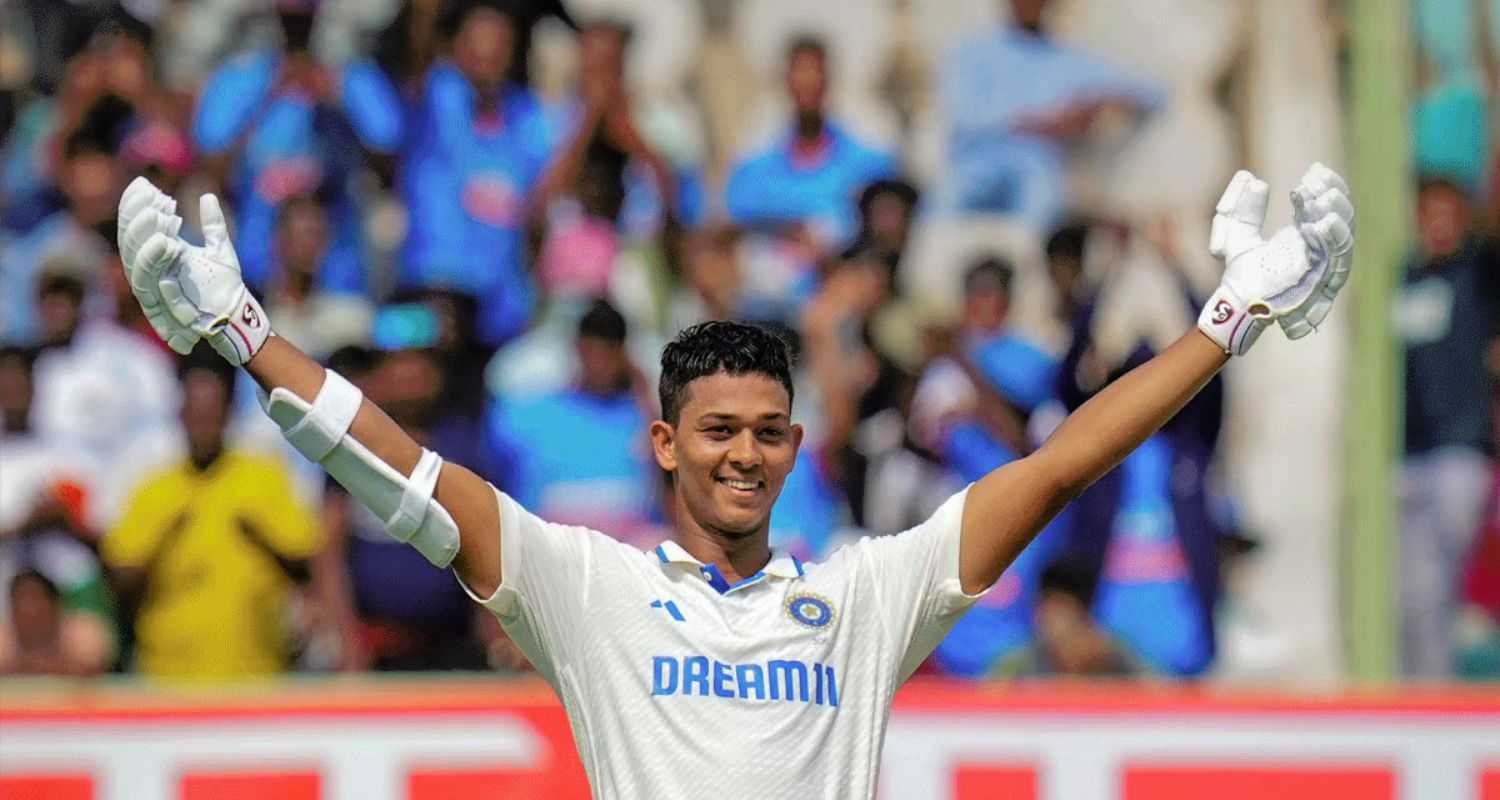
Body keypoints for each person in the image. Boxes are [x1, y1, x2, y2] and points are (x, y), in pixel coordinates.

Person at [114, 159, 1352, 795]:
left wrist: (1230, 317)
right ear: (663, 443)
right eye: (715, 430)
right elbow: (410, 476)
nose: (742, 453)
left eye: (767, 430)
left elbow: (1065, 458)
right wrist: (243, 336)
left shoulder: (868, 599)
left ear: (797, 448)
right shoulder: (585, 585)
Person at [102, 349, 319, 681]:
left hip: (256, 673)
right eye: (195, 415)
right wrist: (164, 536)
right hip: (168, 677)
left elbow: (305, 562)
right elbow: (120, 580)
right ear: (181, 416)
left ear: (228, 414)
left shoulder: (264, 476)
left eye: (212, 415)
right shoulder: (154, 488)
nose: (203, 426)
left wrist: (258, 535)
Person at [191, 0, 402, 294]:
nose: (298, 25)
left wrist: (335, 97)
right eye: (289, 14)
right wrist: (270, 91)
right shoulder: (241, 75)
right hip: (257, 276)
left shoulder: (352, 75)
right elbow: (212, 163)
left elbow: (388, 152)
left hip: (338, 277)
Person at [1393, 174, 1500, 678]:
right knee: (1414, 596)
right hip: (1405, 455)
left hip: (1459, 451)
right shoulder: (1402, 280)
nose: (1437, 226)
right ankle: (1424, 696)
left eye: (1447, 215)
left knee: (1442, 583)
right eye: (1428, 214)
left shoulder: (1476, 273)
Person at [937, 0, 1163, 230]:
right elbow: (966, 117)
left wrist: (1100, 101)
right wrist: (1040, 122)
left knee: (1042, 202)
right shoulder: (974, 51)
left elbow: (1153, 93)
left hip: (1037, 167)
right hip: (976, 163)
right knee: (942, 207)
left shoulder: (1069, 59)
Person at [487, 299, 659, 545]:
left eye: (608, 353)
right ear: (578, 349)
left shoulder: (643, 417)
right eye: (593, 352)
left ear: (622, 355)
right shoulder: (526, 415)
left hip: (625, 556)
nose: (600, 363)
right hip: (545, 551)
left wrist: (643, 393)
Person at [724, 35, 895, 256]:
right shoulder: (752, 172)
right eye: (799, 72)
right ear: (785, 81)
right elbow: (731, 236)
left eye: (815, 72)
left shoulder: (870, 167)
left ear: (829, 81)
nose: (807, 82)